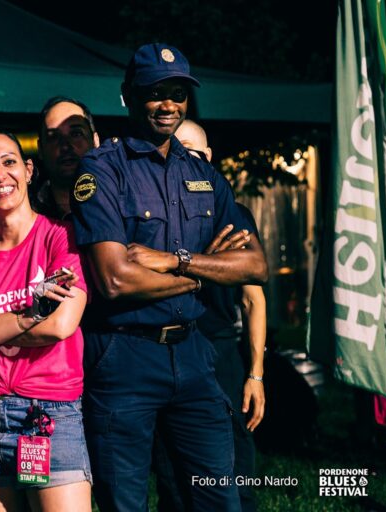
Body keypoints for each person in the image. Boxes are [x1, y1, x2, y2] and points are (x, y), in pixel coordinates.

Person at [71, 43, 268, 511]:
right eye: (155, 92)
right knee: (127, 502)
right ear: (129, 95)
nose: (168, 104)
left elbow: (255, 265)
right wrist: (205, 271)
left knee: (218, 498)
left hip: (195, 356)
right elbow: (115, 280)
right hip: (124, 358)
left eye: (177, 92)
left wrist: (174, 261)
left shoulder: (202, 173)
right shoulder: (102, 170)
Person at [0, 131, 91, 511]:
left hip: (47, 416)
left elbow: (61, 325)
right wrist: (29, 315)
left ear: (28, 171)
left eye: (8, 162)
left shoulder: (61, 238)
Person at [151, 120, 266, 512]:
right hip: (168, 349)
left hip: (218, 352)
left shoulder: (232, 212)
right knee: (173, 479)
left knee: (235, 473)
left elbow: (253, 299)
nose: (183, 159)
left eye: (192, 150)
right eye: (174, 150)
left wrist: (255, 374)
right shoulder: (158, 213)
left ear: (209, 157)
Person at [35, 96, 100, 220]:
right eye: (53, 137)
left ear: (95, 141)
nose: (65, 146)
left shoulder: (121, 198)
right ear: (40, 149)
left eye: (76, 134)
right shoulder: (26, 212)